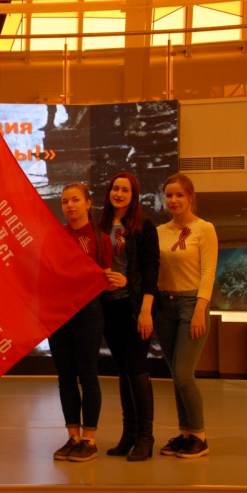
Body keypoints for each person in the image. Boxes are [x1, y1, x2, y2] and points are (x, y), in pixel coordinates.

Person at [154, 173, 217, 459]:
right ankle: (185, 434)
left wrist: (200, 309)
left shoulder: (204, 228)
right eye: (169, 195)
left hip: (192, 305)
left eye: (179, 195)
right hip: (164, 306)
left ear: (190, 197)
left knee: (183, 373)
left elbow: (208, 271)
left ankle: (200, 437)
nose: (174, 200)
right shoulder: (159, 231)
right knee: (175, 375)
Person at [50, 182, 114, 463]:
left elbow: (106, 277)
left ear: (88, 203)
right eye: (65, 201)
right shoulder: (56, 237)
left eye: (75, 200)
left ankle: (89, 439)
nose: (69, 205)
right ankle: (72, 437)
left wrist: (117, 281)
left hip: (88, 312)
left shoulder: (102, 239)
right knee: (65, 377)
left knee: (87, 376)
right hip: (59, 313)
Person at [98, 173, 160, 461]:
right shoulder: (99, 227)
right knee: (123, 370)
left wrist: (146, 309)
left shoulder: (144, 227)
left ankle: (146, 437)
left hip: (135, 307)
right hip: (108, 307)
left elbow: (151, 269)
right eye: (115, 188)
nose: (119, 194)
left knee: (136, 368)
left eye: (125, 190)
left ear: (133, 195)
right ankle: (129, 434)